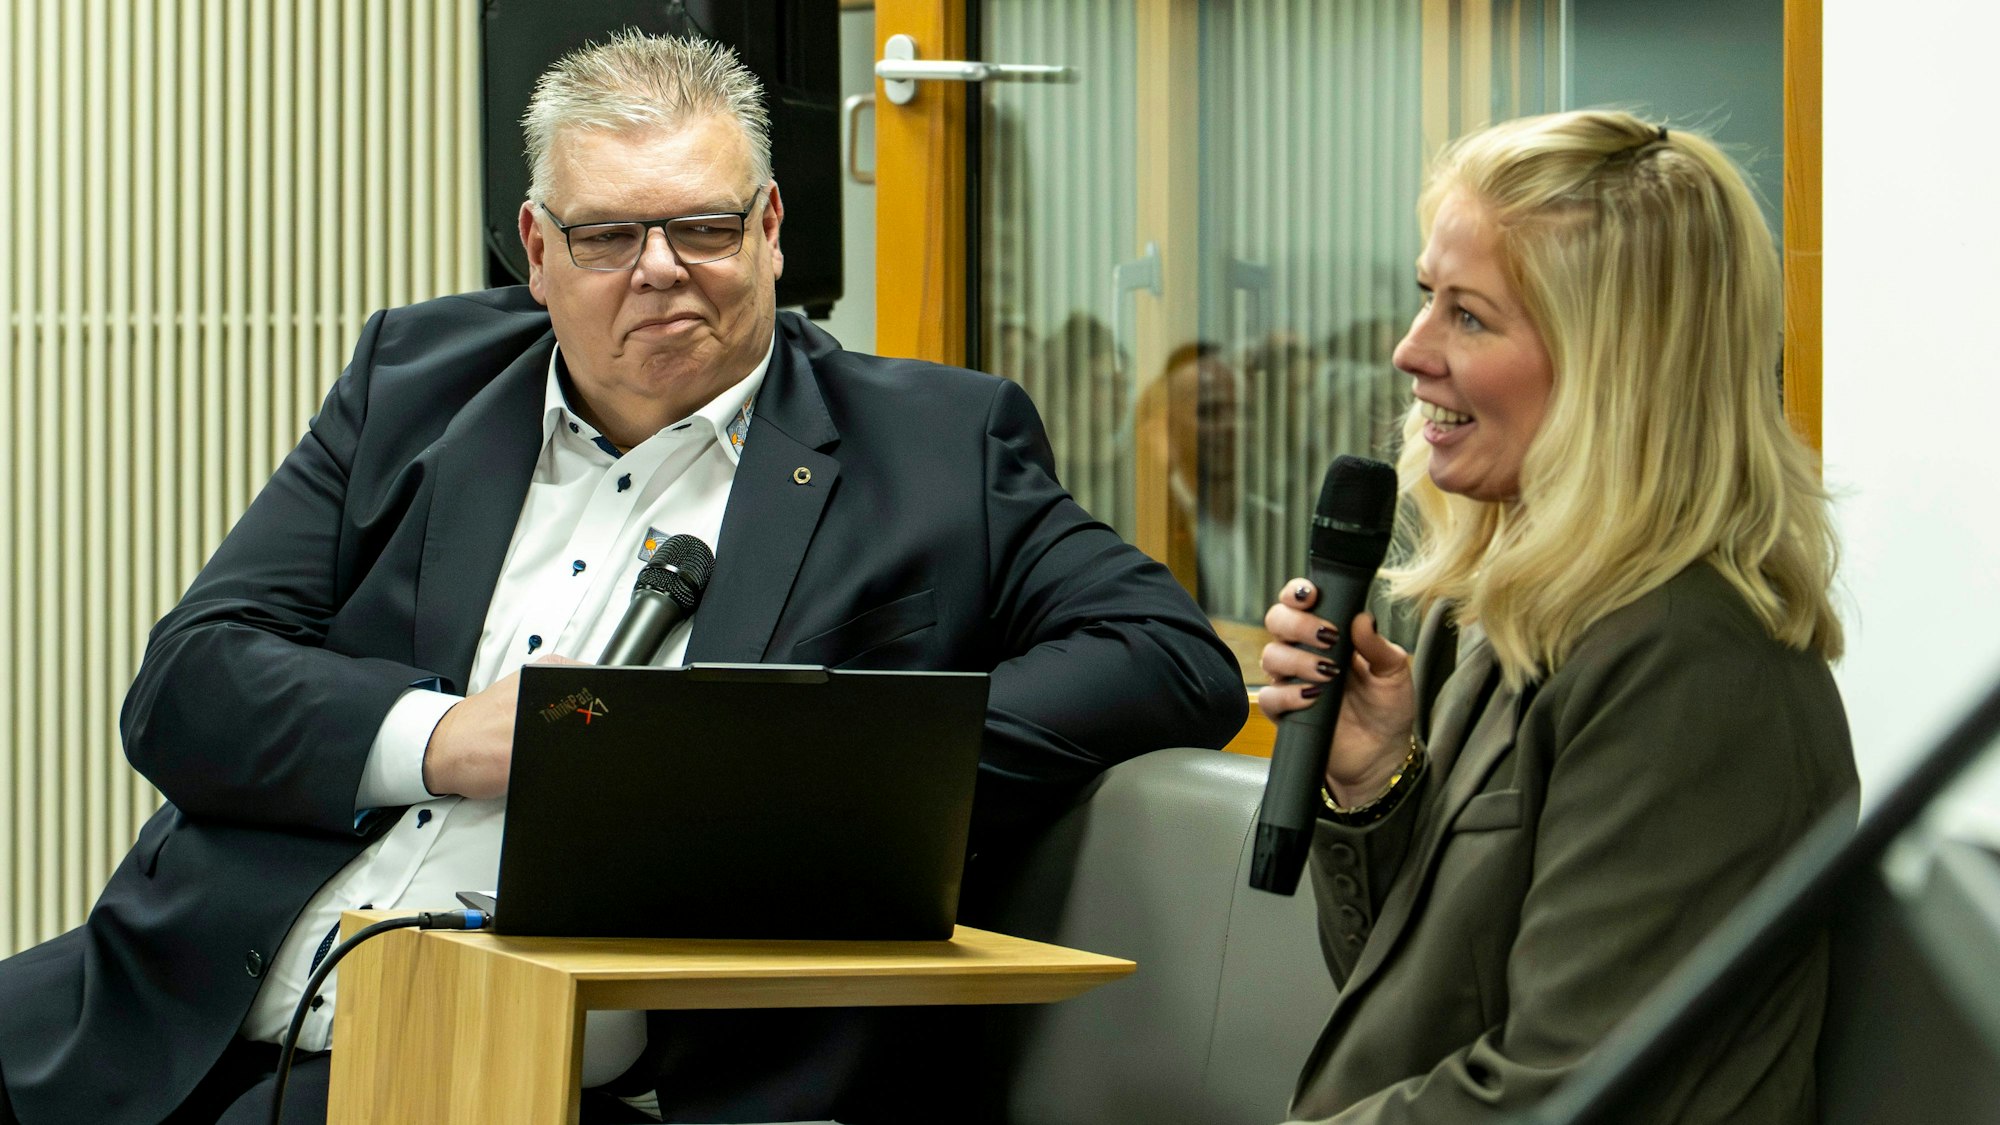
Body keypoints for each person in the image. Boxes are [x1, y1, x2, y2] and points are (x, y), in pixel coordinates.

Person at [0, 31, 1246, 1125]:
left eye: (701, 226)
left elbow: (1165, 655)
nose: (659, 268)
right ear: (537, 251)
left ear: (767, 230)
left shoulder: (931, 445)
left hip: (508, 1070)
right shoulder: (415, 380)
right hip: (171, 1001)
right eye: (607, 236)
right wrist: (442, 740)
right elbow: (190, 686)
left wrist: (751, 766)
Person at [1257, 110, 1855, 1123]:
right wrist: (1375, 789)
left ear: (1612, 369)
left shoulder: (1690, 670)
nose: (1409, 353)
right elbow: (1415, 1010)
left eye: (1468, 317)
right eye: (1422, 301)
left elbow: (1565, 1092)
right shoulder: (1493, 616)